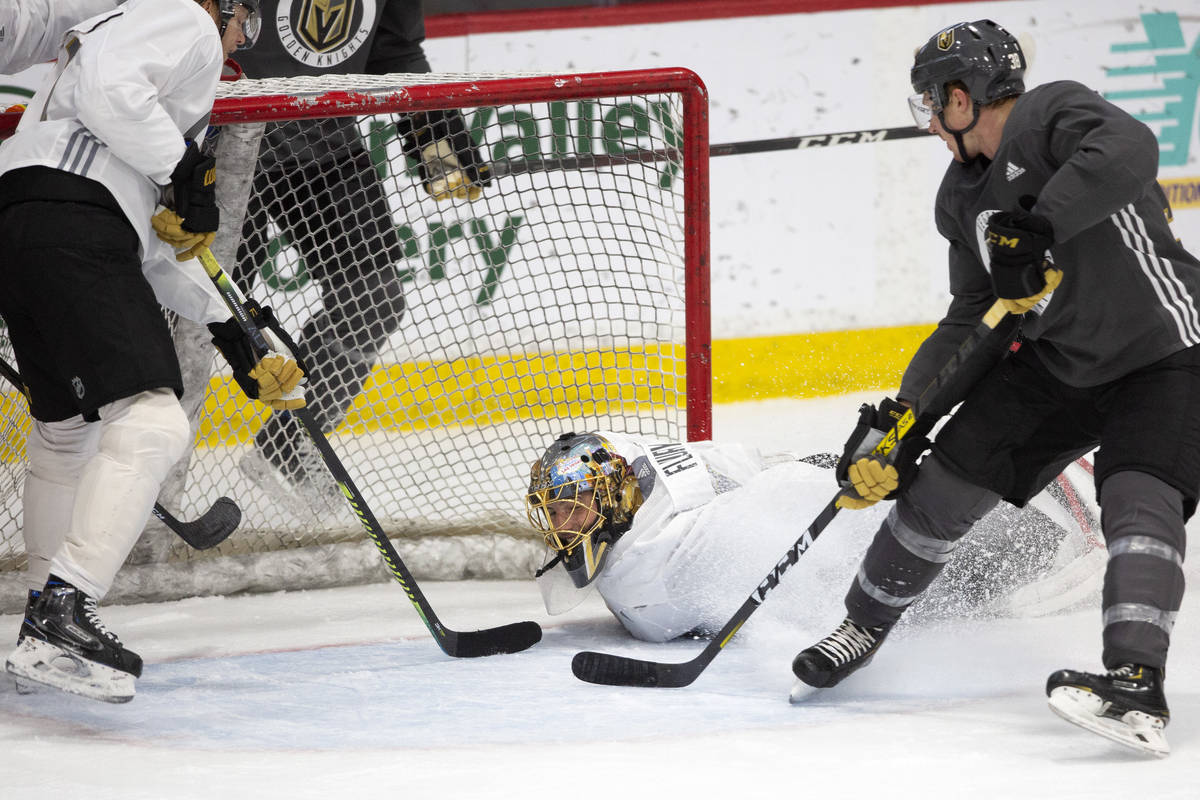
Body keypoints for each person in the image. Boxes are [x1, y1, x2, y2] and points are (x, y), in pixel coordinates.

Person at [789, 20, 1198, 758]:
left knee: (1137, 498)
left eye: (931, 101)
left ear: (963, 93)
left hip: (1166, 351)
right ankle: (861, 627)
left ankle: (1135, 681)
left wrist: (1037, 227)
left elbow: (1131, 149)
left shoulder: (1054, 113)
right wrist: (906, 416)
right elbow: (971, 318)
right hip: (1056, 364)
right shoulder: (958, 198)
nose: (928, 119)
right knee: (944, 485)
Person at [0, 0, 294, 703]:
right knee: (155, 423)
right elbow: (108, 85)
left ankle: (42, 627)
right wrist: (185, 165)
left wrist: (235, 329)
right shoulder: (182, 18)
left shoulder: (127, 104)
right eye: (244, 25)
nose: (237, 44)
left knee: (67, 435)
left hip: (26, 217)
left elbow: (150, 245)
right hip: (71, 217)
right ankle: (63, 612)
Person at [225, 0, 491, 500]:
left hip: (326, 142)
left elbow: (393, 46)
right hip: (222, 141)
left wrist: (433, 132)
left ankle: (288, 448)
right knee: (192, 320)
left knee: (374, 299)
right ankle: (144, 472)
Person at [525, 432, 1099, 643]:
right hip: (801, 489)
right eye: (556, 513)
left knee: (924, 573)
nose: (562, 528)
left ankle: (1064, 518)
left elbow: (652, 620)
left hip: (821, 525)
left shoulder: (648, 572)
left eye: (571, 510)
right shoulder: (632, 463)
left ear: (611, 499)